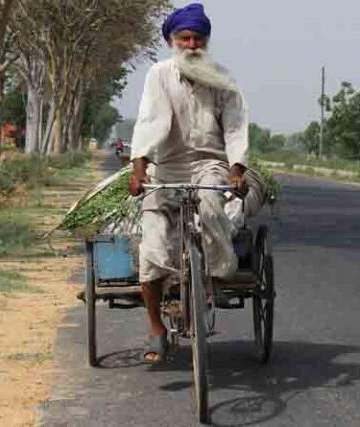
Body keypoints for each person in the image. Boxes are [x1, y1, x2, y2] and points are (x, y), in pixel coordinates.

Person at [128, 3, 249, 363]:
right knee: (153, 249)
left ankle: (214, 277)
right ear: (172, 41)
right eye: (185, 38)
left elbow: (235, 126)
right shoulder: (158, 74)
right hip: (167, 166)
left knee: (212, 207)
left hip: (209, 164)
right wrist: (139, 169)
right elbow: (150, 121)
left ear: (206, 41)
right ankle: (156, 330)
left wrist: (237, 170)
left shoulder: (222, 78)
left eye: (198, 38)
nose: (192, 44)